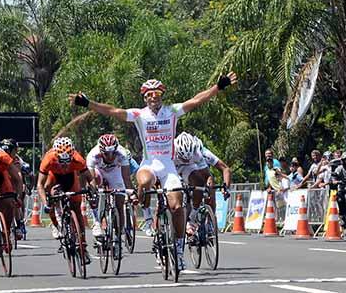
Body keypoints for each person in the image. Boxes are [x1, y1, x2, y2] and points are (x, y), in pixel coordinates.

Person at [69, 72, 237, 271]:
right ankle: (144, 208)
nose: (153, 97)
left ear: (161, 95)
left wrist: (217, 87)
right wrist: (88, 103)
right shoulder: (140, 115)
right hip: (149, 163)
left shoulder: (172, 111)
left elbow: (196, 100)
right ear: (144, 98)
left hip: (168, 166)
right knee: (145, 181)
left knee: (177, 207)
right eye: (149, 94)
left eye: (156, 93)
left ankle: (178, 249)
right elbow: (113, 111)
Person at [37, 137, 95, 264]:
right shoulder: (48, 159)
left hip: (70, 178)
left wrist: (93, 193)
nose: (64, 165)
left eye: (67, 161)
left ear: (72, 155)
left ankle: (83, 246)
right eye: (61, 162)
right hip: (54, 178)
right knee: (49, 194)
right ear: (56, 156)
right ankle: (58, 226)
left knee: (77, 208)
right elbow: (40, 185)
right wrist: (46, 203)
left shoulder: (78, 159)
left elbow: (90, 179)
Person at [87, 134, 134, 259]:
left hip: (115, 173)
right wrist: (94, 191)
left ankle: (118, 239)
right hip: (99, 172)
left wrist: (130, 192)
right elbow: (91, 179)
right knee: (94, 191)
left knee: (119, 203)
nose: (110, 156)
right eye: (106, 154)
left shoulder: (122, 153)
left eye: (112, 153)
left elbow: (126, 178)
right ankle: (97, 221)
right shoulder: (93, 155)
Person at [173, 132, 231, 235]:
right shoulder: (171, 154)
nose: (186, 160)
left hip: (195, 171)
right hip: (177, 171)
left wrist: (225, 187)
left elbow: (221, 169)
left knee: (209, 184)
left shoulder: (201, 153)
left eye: (188, 158)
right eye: (184, 158)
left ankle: (209, 220)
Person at [0, 138, 29, 240]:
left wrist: (22, 191)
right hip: (1, 182)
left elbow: (20, 176)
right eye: (15, 150)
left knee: (16, 201)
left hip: (14, 182)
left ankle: (19, 223)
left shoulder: (17, 159)